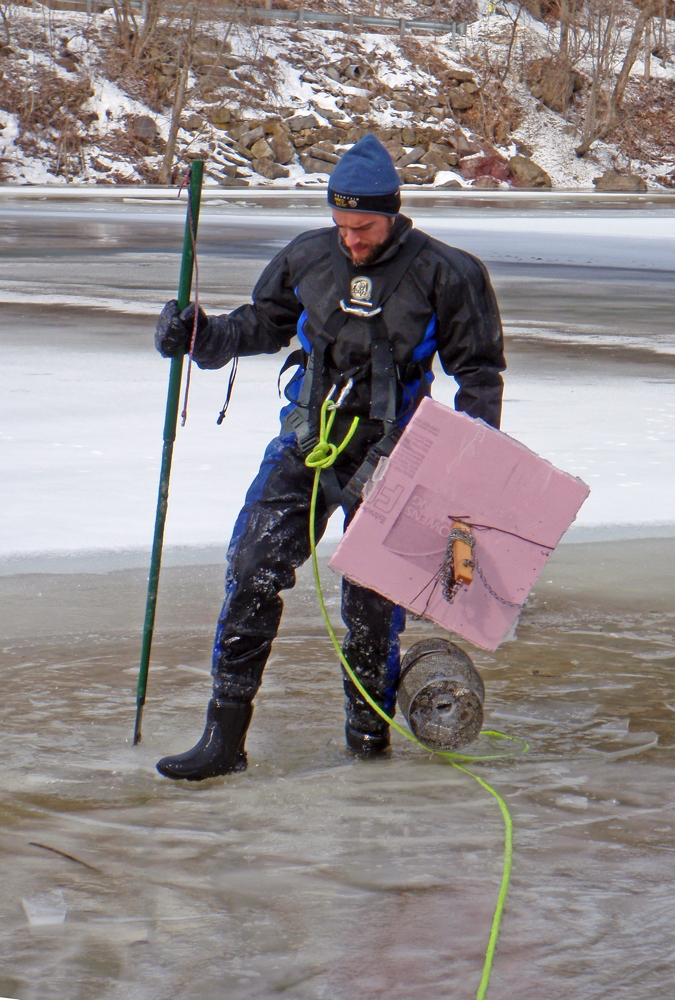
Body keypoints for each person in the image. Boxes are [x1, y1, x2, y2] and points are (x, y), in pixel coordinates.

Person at [153, 134, 505, 781]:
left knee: (370, 603)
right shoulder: (308, 256)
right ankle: (223, 737)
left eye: (364, 226)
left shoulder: (447, 272)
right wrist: (197, 334)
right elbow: (260, 324)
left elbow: (478, 374)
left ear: (393, 211)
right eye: (341, 224)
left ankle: (367, 739)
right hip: (308, 440)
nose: (351, 239)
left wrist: (470, 468)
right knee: (252, 567)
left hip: (397, 450)